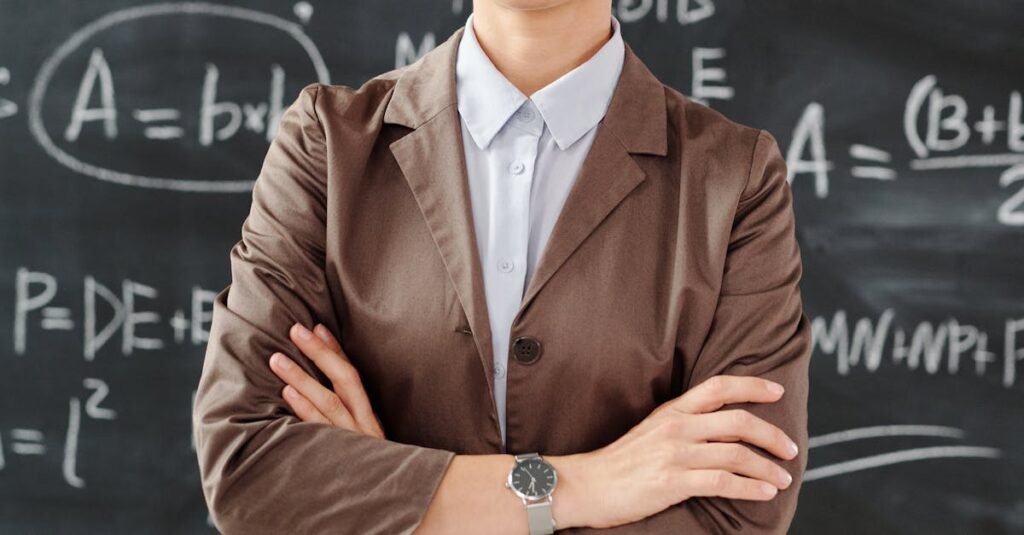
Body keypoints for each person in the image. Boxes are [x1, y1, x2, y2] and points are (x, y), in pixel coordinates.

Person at [192, 1, 812, 533]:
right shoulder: (327, 145)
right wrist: (582, 486)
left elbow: (738, 515)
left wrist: (393, 503)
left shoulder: (735, 180)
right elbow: (248, 467)